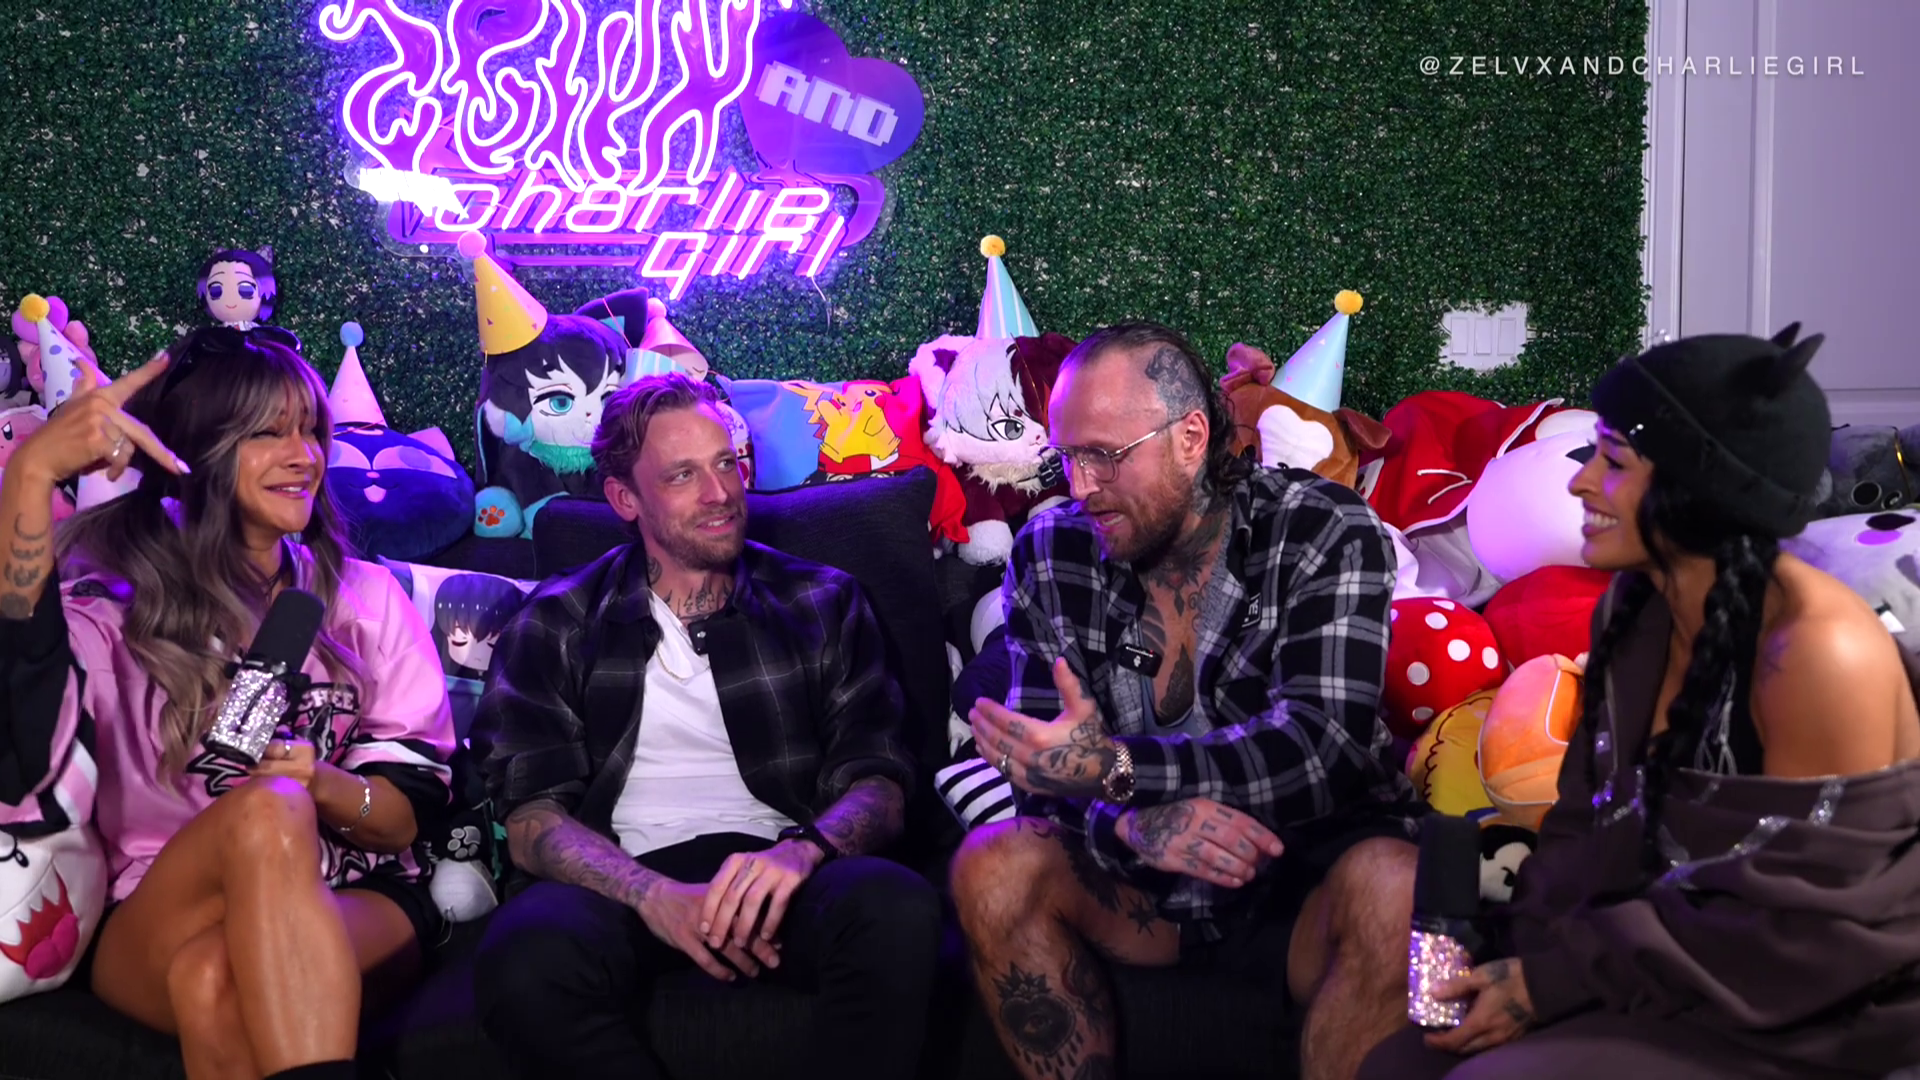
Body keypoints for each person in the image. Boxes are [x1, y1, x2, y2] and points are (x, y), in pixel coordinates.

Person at [1358, 326, 1920, 1080]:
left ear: (1702, 489)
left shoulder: (1820, 650)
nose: (1580, 483)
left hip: (1809, 1008)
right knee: (1400, 1063)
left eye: (1613, 461)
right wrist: (1520, 959)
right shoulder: (1638, 606)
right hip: (1655, 966)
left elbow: (1798, 928)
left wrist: (1549, 986)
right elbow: (1582, 826)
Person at [951, 321, 1426, 1080]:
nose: (1081, 486)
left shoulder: (1321, 528)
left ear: (1191, 437)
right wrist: (1129, 820)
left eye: (1105, 456)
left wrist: (1116, 771)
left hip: (1306, 874)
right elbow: (1048, 770)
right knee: (992, 864)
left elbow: (1321, 748)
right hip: (1143, 889)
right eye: (1066, 457)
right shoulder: (1051, 551)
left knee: (1400, 885)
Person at [0, 328, 456, 1080]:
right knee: (263, 815)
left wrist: (318, 783)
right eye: (267, 434)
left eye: (310, 429)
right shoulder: (107, 610)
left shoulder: (366, 600)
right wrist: (32, 474)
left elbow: (404, 820)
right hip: (153, 905)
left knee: (215, 975)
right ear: (198, 450)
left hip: (347, 892)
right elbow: (19, 742)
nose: (304, 455)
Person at [468, 373, 941, 1080]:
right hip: (620, 878)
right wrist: (648, 894)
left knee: (897, 909)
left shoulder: (822, 601)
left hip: (780, 865)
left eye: (726, 463)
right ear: (625, 499)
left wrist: (805, 853)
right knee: (524, 958)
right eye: (683, 475)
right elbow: (532, 818)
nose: (720, 493)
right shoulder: (557, 620)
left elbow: (880, 781)